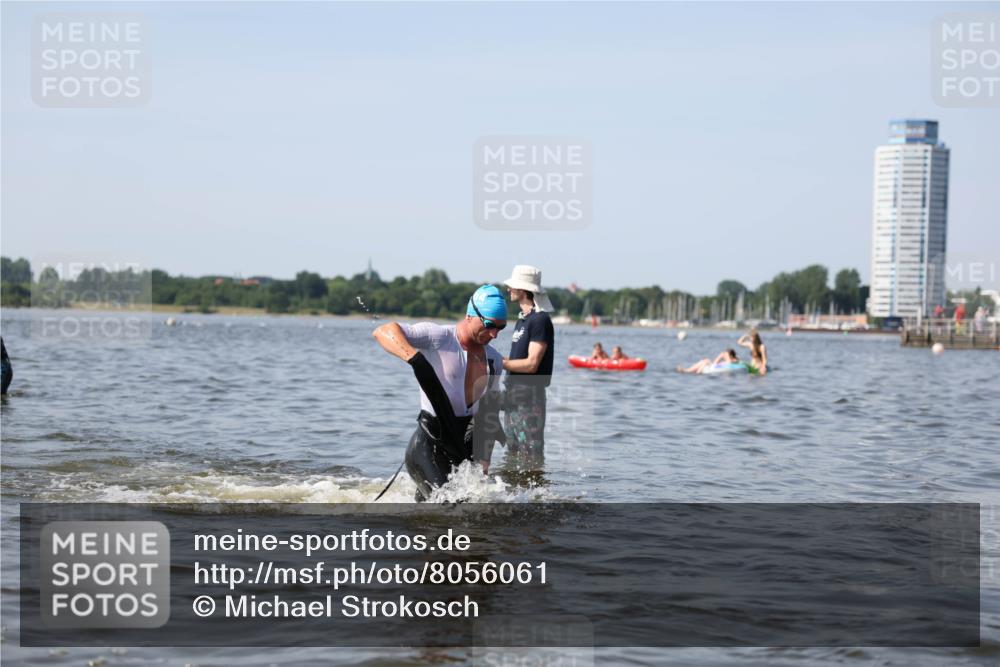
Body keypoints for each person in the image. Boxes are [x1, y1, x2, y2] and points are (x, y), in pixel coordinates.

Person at [373, 285, 506, 501]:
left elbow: (489, 412)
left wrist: (484, 461)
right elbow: (383, 331)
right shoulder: (440, 338)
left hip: (461, 448)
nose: (495, 334)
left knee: (469, 509)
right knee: (449, 508)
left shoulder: (494, 361)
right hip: (427, 446)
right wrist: (415, 359)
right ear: (470, 316)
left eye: (501, 328)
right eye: (490, 325)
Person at [502, 265, 555, 461]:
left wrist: (500, 364)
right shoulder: (522, 321)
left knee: (530, 454)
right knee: (512, 453)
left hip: (529, 398)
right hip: (513, 394)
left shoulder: (540, 320)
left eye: (512, 286)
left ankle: (536, 490)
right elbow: (518, 361)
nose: (509, 290)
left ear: (523, 291)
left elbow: (532, 364)